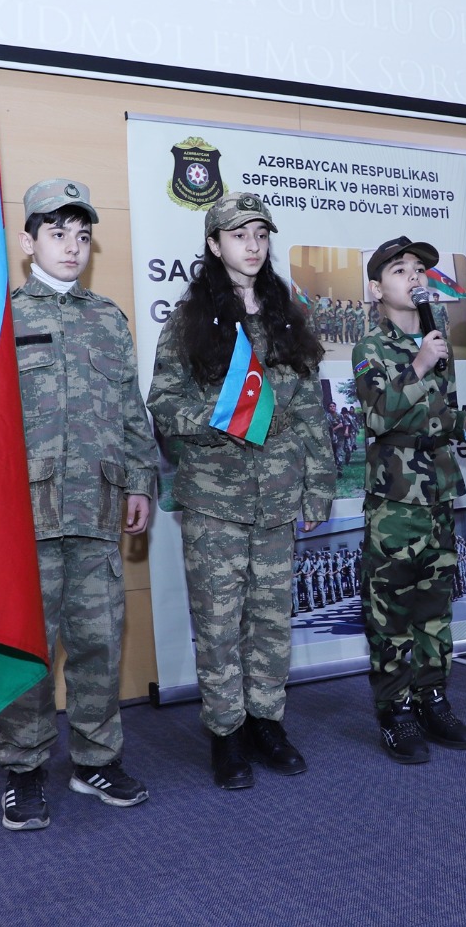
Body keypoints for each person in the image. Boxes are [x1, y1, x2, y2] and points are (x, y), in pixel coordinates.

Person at [147, 192, 336, 790]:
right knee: (219, 622)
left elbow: (310, 412)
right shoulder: (189, 320)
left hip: (278, 497)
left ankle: (266, 723)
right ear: (213, 244)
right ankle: (226, 733)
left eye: (260, 234)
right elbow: (163, 403)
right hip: (215, 499)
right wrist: (221, 419)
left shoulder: (287, 316)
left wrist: (318, 487)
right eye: (238, 235)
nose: (252, 246)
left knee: (272, 620)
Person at [0, 177, 156, 832]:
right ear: (27, 242)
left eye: (82, 236)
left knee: (98, 644)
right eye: (57, 233)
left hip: (96, 507)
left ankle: (96, 760)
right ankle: (24, 767)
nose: (71, 246)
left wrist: (141, 481)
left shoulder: (108, 318)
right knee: (28, 651)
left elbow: (129, 409)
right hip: (25, 516)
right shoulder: (1, 316)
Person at [353, 235, 466, 764]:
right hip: (395, 501)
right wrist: (417, 365)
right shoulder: (371, 348)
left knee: (435, 608)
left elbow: (437, 415)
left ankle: (432, 699)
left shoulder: (436, 340)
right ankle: (394, 712)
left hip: (438, 491)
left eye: (418, 268)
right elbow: (377, 417)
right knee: (391, 610)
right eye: (399, 269)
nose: (413, 276)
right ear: (377, 289)